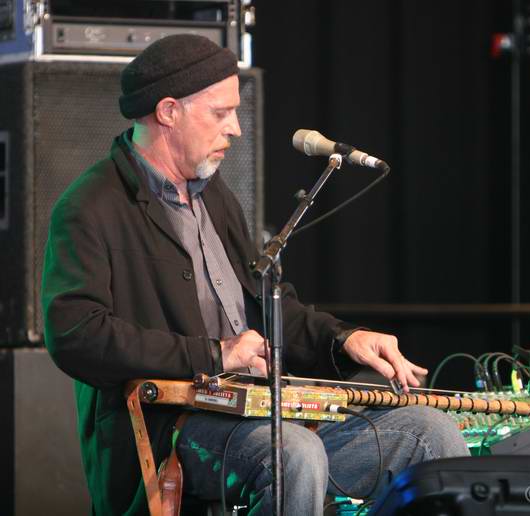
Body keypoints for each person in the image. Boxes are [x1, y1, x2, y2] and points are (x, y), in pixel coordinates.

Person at [42, 35, 468, 515]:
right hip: (177, 428)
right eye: (220, 113)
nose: (236, 129)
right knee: (293, 454)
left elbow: (267, 306)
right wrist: (215, 354)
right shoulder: (90, 205)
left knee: (430, 433)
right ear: (168, 112)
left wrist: (344, 339)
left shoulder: (214, 197)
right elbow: (75, 334)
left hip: (259, 415)